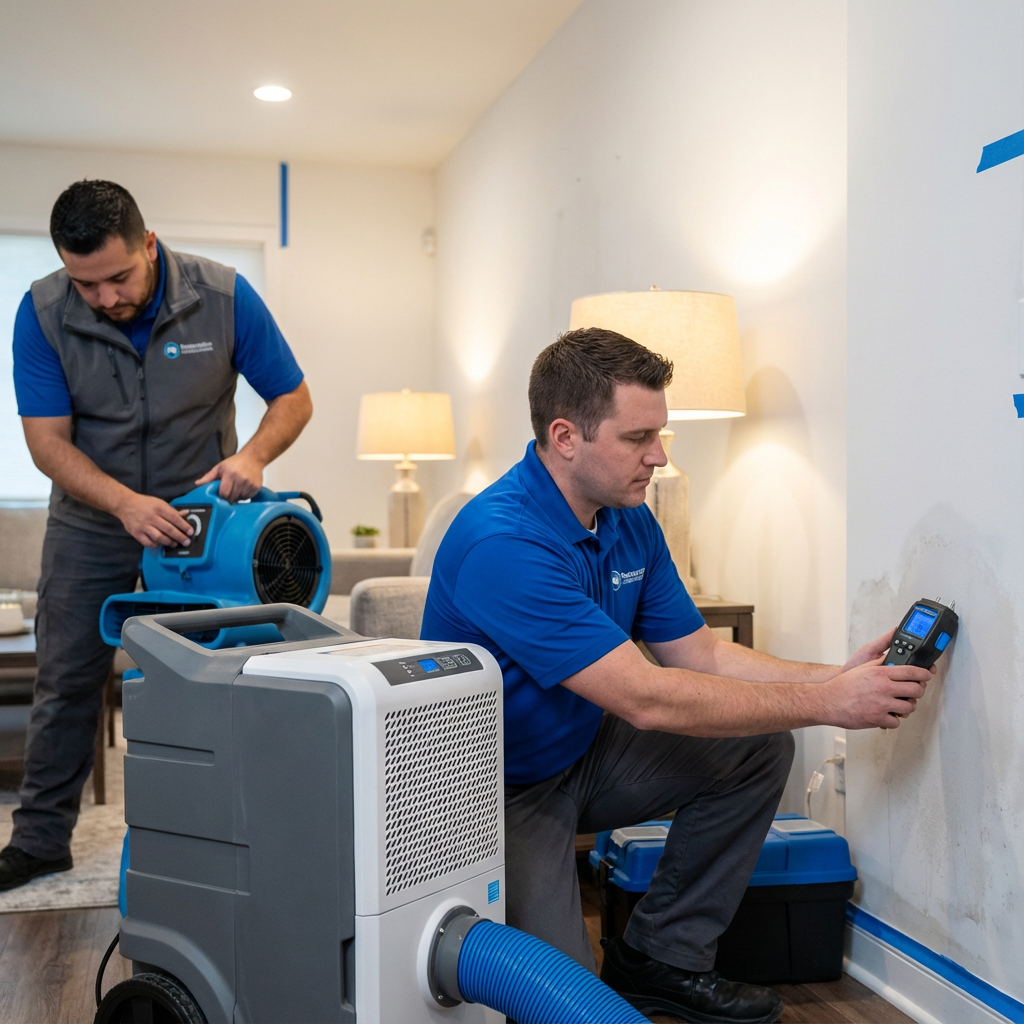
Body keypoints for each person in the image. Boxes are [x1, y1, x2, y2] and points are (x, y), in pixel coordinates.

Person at [421, 328, 932, 1024]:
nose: (658, 456)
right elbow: (647, 698)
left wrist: (833, 678)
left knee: (757, 746)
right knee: (567, 1005)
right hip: (493, 792)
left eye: (659, 434)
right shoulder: (502, 542)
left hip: (581, 752)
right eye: (638, 437)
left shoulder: (628, 519)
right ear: (565, 437)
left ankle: (661, 958)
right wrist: (829, 705)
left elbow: (703, 656)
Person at [1, 180, 313, 892]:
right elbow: (46, 443)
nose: (105, 297)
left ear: (148, 244)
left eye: (117, 277)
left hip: (200, 526)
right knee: (66, 679)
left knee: (220, 676)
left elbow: (293, 398)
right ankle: (41, 840)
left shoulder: (224, 296)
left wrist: (253, 457)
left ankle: (237, 834)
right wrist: (123, 505)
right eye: (86, 284)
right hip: (92, 521)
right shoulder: (42, 312)